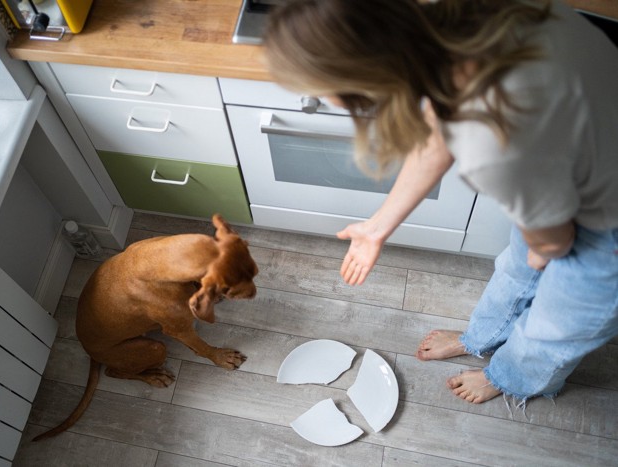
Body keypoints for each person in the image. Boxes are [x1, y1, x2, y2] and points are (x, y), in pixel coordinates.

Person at [263, 0, 618, 404]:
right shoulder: (454, 24)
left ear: (362, 79)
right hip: (579, 156)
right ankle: (480, 338)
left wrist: (542, 253)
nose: (321, 99)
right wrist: (377, 227)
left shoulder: (490, 138)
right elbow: (439, 130)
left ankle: (508, 377)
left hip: (606, 225)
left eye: (317, 89)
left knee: (555, 330)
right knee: (514, 271)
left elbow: (555, 240)